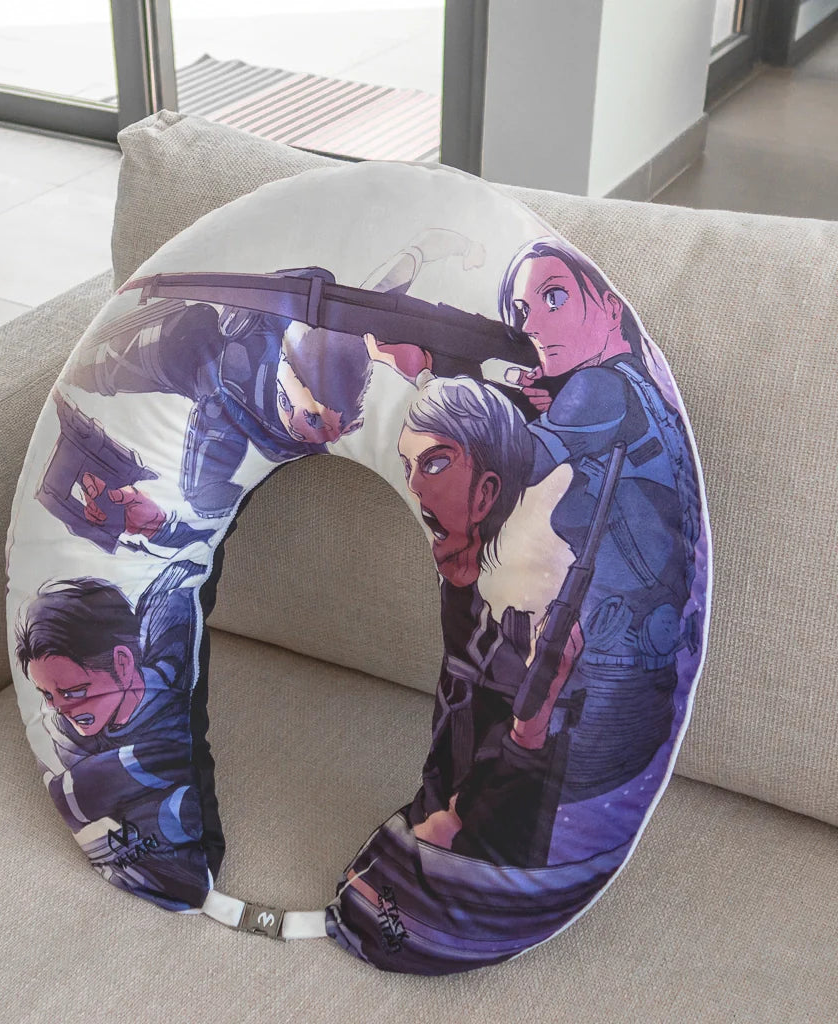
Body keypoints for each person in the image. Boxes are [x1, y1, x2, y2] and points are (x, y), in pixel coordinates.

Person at [63, 230, 487, 519]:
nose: (304, 417)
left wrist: (448, 248)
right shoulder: (235, 381)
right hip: (193, 352)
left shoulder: (340, 366)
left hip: (239, 380)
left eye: (316, 418)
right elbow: (202, 484)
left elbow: (391, 281)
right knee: (171, 341)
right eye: (297, 404)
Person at [497, 238, 702, 813]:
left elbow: (506, 471)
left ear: (611, 309)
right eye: (522, 311)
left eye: (554, 297)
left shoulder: (597, 389)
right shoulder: (643, 389)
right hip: (646, 661)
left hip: (607, 671)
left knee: (518, 797)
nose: (530, 325)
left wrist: (433, 382)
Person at [396, 376, 581, 865]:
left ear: (486, 492)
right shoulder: (465, 599)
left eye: (434, 463)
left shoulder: (533, 612)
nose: (412, 485)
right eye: (407, 467)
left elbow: (511, 827)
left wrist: (529, 733)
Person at [14, 572, 221, 909]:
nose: (61, 708)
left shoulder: (169, 710)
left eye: (74, 691)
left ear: (123, 664)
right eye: (48, 695)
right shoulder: (65, 734)